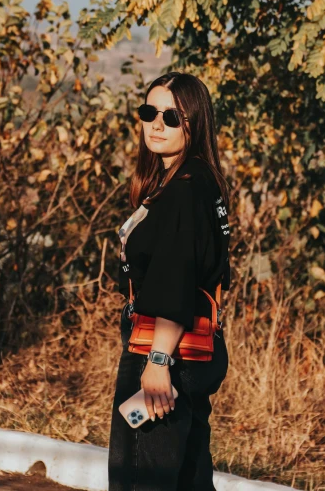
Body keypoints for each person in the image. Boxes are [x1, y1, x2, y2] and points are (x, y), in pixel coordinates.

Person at [107, 71, 231, 491]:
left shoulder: (184, 190)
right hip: (193, 351)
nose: (157, 125)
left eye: (172, 117)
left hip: (163, 350)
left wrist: (157, 362)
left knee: (143, 477)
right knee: (189, 478)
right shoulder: (195, 182)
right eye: (149, 112)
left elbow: (175, 278)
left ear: (195, 123)